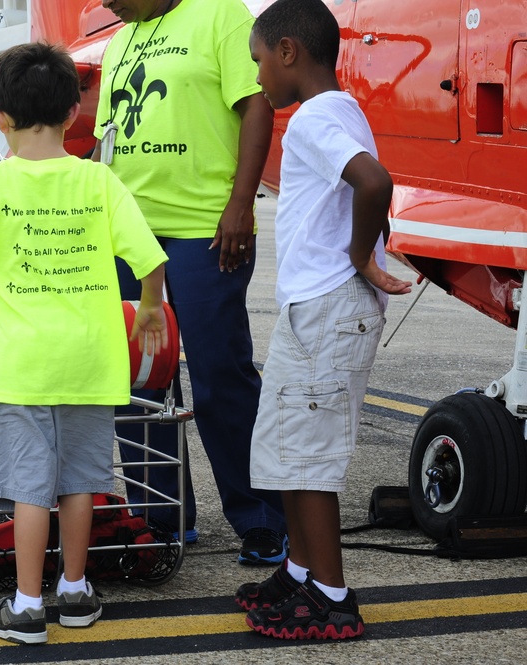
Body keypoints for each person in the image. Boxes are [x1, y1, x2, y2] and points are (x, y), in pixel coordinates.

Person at [0, 42, 169, 645]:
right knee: (77, 482)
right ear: (74, 113)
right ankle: (73, 589)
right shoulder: (99, 179)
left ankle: (25, 604)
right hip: (90, 361)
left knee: (28, 487)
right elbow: (149, 259)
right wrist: (148, 309)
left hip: (18, 365)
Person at [235, 0, 412, 639]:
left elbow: (373, 182)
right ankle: (301, 570)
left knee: (304, 460)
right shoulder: (343, 108)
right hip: (317, 309)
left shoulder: (311, 118)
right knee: (286, 449)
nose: (257, 78)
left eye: (259, 61)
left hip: (328, 307)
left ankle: (332, 596)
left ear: (288, 52)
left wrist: (360, 255)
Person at [93, 0, 287, 562]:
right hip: (130, 234)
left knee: (218, 371)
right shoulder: (118, 41)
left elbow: (257, 107)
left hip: (205, 229)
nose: (105, 4)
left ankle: (260, 515)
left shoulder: (221, 15)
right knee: (137, 381)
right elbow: (111, 142)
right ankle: (162, 514)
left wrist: (241, 204)